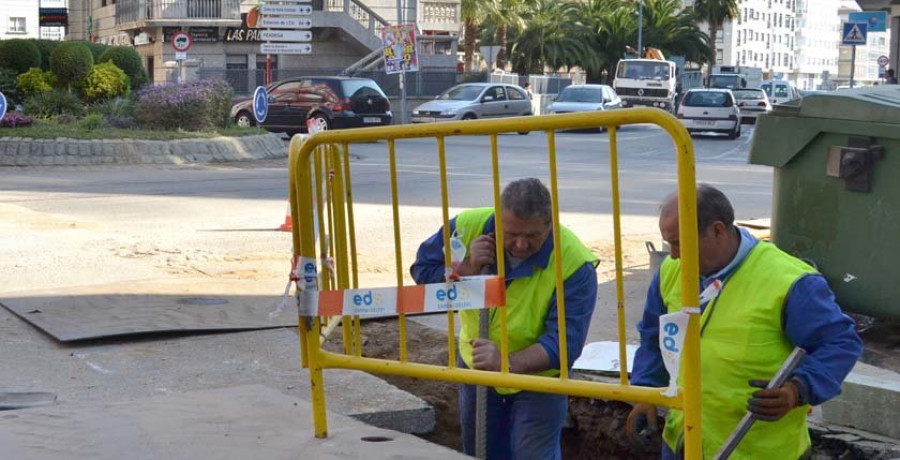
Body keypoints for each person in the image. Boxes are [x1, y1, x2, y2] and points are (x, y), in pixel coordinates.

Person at [626, 184, 863, 459]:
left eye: (680, 243)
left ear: (717, 230)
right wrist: (646, 391)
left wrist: (796, 390)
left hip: (760, 450)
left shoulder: (788, 281)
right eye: (670, 244)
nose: (675, 255)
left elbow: (840, 343)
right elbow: (655, 336)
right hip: (685, 441)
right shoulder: (671, 272)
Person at [410, 178, 598, 460]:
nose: (520, 245)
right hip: (478, 368)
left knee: (532, 454)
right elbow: (422, 273)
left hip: (539, 380)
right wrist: (467, 269)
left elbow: (564, 342)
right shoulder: (465, 227)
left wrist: (505, 364)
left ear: (550, 225)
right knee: (482, 451)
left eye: (532, 236)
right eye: (510, 234)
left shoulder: (573, 262)